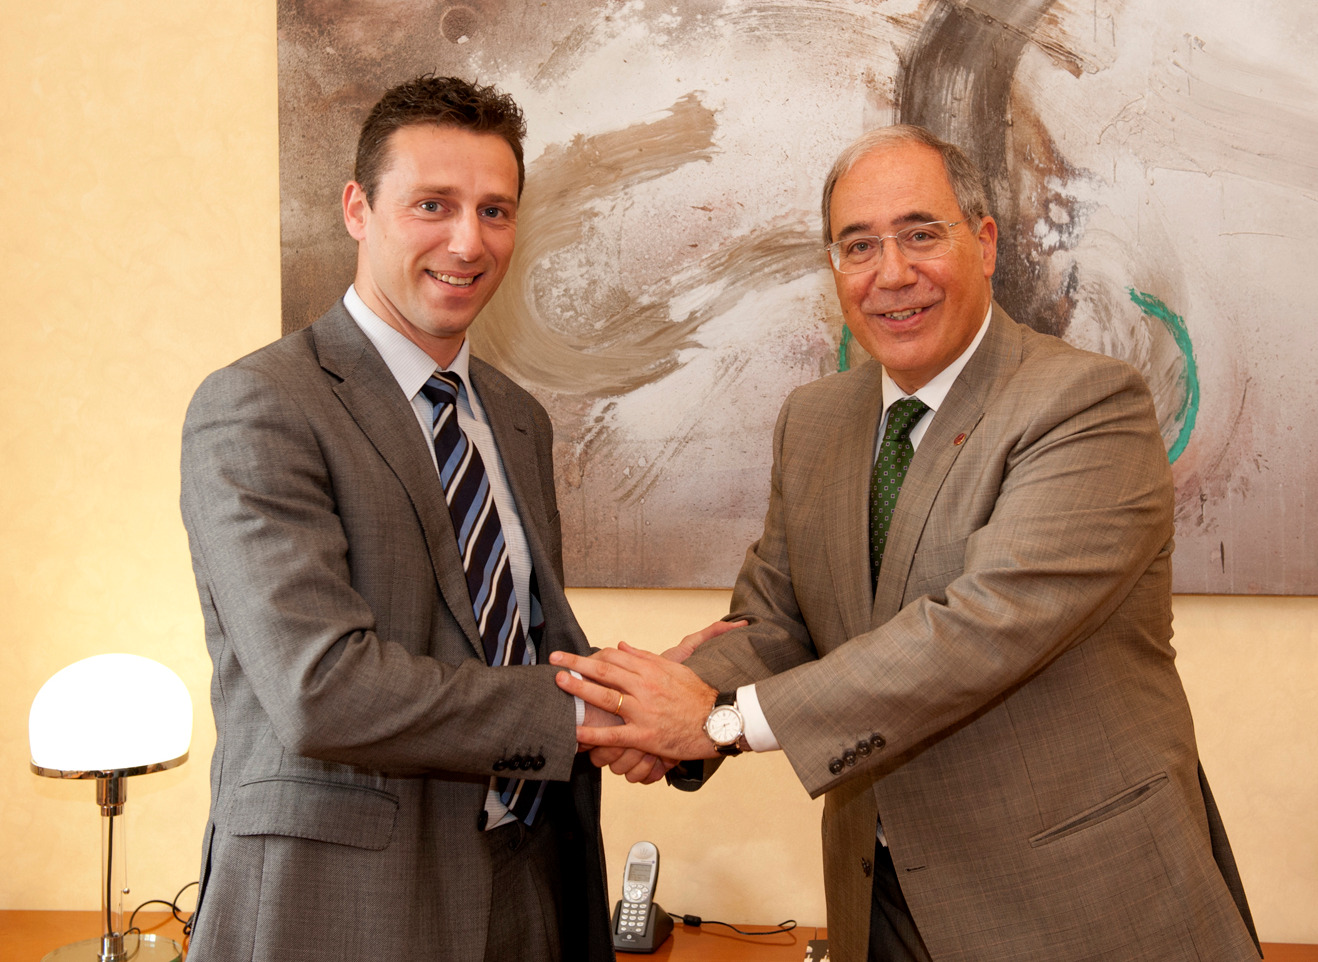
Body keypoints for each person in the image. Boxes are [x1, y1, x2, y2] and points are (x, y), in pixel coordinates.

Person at [552, 125, 1262, 962]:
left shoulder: (1085, 403)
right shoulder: (815, 421)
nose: (891, 273)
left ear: (985, 243)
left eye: (921, 233)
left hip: (1079, 905)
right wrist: (651, 702)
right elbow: (776, 623)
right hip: (880, 903)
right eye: (859, 246)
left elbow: (979, 630)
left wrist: (716, 722)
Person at [181, 75, 619, 962]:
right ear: (358, 209)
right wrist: (588, 716)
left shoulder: (516, 418)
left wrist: (651, 694)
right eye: (432, 204)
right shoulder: (260, 404)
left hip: (530, 879)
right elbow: (322, 689)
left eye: (495, 211)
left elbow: (522, 645)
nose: (468, 241)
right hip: (343, 906)